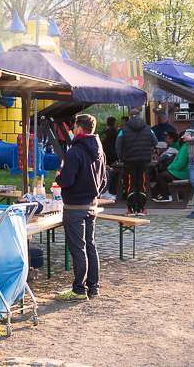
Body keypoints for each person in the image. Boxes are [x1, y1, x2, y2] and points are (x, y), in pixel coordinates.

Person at [55, 113, 107, 301]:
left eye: (74, 126)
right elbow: (104, 180)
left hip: (74, 206)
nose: (72, 129)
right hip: (91, 205)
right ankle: (93, 287)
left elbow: (67, 180)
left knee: (79, 248)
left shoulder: (75, 151)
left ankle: (79, 289)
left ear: (79, 128)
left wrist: (59, 177)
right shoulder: (99, 150)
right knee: (90, 245)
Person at [116, 107, 158, 210]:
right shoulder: (148, 129)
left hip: (129, 161)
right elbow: (155, 142)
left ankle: (131, 207)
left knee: (131, 183)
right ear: (140, 116)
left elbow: (118, 145)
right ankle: (141, 207)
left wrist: (120, 157)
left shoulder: (123, 130)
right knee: (141, 183)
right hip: (144, 160)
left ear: (130, 116)